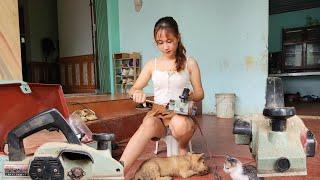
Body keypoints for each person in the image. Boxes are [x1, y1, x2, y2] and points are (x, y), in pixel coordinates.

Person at [120, 16, 204, 171]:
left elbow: (200, 94)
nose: (166, 47)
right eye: (160, 43)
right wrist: (136, 93)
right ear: (155, 42)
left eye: (169, 41)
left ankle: (182, 146)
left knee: (179, 124)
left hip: (180, 112)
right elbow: (133, 88)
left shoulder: (189, 63)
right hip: (158, 112)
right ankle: (119, 170)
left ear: (178, 38)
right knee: (147, 124)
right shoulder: (152, 64)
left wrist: (189, 96)